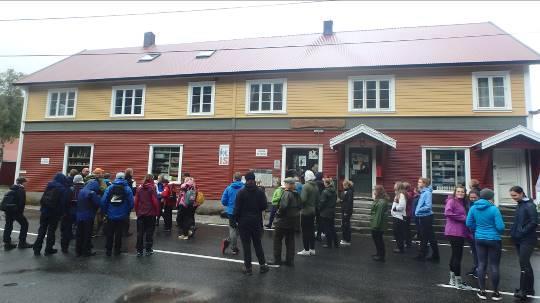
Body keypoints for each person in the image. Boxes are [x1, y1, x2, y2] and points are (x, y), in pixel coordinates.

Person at [466, 188, 505, 301]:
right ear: (490, 197)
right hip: (494, 239)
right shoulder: (494, 209)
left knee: (481, 264)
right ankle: (496, 293)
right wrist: (497, 233)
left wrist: (477, 229)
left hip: (479, 238)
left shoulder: (473, 207)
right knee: (494, 266)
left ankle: (482, 291)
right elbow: (501, 227)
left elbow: (469, 223)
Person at [232, 171, 270, 275]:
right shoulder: (260, 192)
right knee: (258, 244)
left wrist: (234, 220)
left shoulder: (241, 192)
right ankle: (263, 266)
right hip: (256, 221)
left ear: (246, 180)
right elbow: (264, 206)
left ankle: (248, 268)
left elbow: (237, 209)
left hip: (244, 222)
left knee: (246, 245)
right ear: (254, 179)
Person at [509, 186, 538, 300]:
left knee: (524, 264)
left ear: (521, 193)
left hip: (527, 239)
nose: (513, 198)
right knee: (525, 264)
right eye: (511, 195)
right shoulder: (520, 204)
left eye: (515, 195)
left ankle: (523, 290)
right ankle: (529, 288)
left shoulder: (529, 205)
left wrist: (522, 232)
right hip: (519, 238)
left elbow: (534, 222)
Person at [444, 185, 472, 289]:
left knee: (454, 255)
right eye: (458, 191)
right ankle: (458, 282)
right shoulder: (452, 201)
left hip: (459, 232)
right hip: (454, 232)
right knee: (457, 256)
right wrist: (464, 218)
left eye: (462, 192)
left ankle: (452, 280)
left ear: (465, 193)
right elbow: (448, 212)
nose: (460, 193)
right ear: (455, 192)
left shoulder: (463, 202)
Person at [34, 172, 69, 256]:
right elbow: (63, 203)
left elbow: (43, 198)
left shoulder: (49, 185)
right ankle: (48, 249)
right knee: (51, 231)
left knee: (42, 229)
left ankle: (37, 249)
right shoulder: (62, 188)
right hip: (54, 213)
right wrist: (62, 213)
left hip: (44, 211)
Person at [100, 172, 134, 256]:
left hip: (111, 214)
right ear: (124, 178)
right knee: (119, 233)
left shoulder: (110, 187)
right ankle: (117, 250)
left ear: (116, 177)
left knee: (110, 233)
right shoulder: (127, 188)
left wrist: (105, 212)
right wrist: (127, 211)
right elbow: (131, 202)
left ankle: (108, 250)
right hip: (122, 215)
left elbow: (103, 201)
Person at [269, 177, 300, 267]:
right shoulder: (296, 194)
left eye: (286, 183)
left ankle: (277, 260)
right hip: (293, 220)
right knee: (290, 241)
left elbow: (283, 207)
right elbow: (300, 206)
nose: (285, 185)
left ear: (288, 184)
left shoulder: (286, 194)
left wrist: (277, 214)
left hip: (283, 221)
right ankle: (290, 261)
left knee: (277, 240)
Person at [2, 177, 33, 250]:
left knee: (8, 225)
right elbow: (21, 203)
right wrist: (20, 213)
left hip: (8, 210)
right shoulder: (21, 190)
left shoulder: (12, 188)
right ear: (23, 182)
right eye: (25, 182)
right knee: (25, 224)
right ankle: (22, 243)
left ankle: (7, 243)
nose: (26, 183)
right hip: (16, 211)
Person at [413, 177, 440, 262]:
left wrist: (418, 210)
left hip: (426, 217)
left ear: (424, 184)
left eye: (420, 182)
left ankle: (423, 255)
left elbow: (428, 206)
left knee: (425, 236)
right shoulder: (423, 192)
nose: (418, 183)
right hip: (424, 216)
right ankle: (434, 255)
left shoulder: (427, 193)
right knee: (429, 236)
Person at [134, 174, 160, 257]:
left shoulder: (139, 188)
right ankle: (148, 250)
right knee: (149, 232)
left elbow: (136, 201)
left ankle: (139, 250)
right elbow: (155, 202)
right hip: (150, 214)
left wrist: (137, 211)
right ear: (151, 179)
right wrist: (157, 212)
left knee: (140, 233)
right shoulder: (152, 188)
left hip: (141, 214)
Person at [75, 179, 100, 257]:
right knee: (87, 234)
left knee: (79, 234)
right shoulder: (92, 193)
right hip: (88, 216)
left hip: (79, 216)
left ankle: (78, 251)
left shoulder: (81, 191)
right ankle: (86, 251)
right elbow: (97, 203)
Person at [220, 172, 244, 255]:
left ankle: (230, 244)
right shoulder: (244, 188)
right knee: (241, 229)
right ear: (241, 179)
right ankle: (233, 246)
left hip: (231, 212)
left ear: (233, 179)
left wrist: (230, 205)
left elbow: (223, 201)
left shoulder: (229, 188)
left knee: (233, 228)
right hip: (242, 211)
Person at [298, 170, 319, 256]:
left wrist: (299, 205)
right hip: (313, 210)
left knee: (305, 231)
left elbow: (303, 199)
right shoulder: (316, 187)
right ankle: (312, 249)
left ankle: (306, 250)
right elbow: (318, 200)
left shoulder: (306, 186)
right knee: (311, 230)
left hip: (306, 211)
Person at [61, 175, 84, 253]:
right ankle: (79, 249)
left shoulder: (69, 189)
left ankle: (64, 248)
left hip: (69, 212)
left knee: (67, 230)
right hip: (80, 212)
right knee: (80, 231)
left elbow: (64, 202)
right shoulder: (84, 189)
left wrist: (64, 212)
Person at [370, 185, 390, 262]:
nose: (374, 192)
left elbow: (379, 215)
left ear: (378, 192)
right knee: (377, 239)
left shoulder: (381, 202)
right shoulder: (379, 200)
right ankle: (378, 253)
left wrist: (375, 226)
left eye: (375, 190)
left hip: (378, 224)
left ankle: (381, 256)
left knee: (379, 240)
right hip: (376, 223)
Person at [319, 178, 338, 249]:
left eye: (324, 182)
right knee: (332, 227)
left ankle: (329, 244)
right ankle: (336, 243)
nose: (323, 183)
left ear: (327, 183)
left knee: (327, 228)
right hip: (332, 211)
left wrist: (319, 209)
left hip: (325, 212)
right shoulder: (334, 191)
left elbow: (322, 202)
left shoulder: (325, 192)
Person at [466, 190, 480, 279]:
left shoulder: (479, 206)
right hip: (470, 231)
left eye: (475, 197)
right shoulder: (469, 204)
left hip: (478, 231)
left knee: (480, 252)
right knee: (474, 251)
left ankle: (480, 269)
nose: (473, 199)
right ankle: (475, 266)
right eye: (471, 197)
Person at [391, 181, 407, 253]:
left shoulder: (401, 195)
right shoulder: (398, 194)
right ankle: (399, 246)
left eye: (395, 185)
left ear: (398, 186)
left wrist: (395, 208)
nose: (394, 186)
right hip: (396, 216)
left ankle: (400, 248)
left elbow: (402, 206)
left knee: (398, 233)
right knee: (396, 232)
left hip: (399, 217)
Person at [339, 179, 354, 246]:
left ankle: (347, 240)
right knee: (344, 225)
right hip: (344, 210)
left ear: (347, 185)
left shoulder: (350, 192)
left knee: (346, 225)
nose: (343, 186)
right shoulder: (346, 191)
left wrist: (346, 212)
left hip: (346, 211)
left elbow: (349, 203)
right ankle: (345, 238)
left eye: (344, 185)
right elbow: (344, 200)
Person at [123, 168, 136, 237]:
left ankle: (119, 230)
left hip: (121, 199)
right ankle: (125, 232)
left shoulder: (122, 180)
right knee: (127, 216)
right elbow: (134, 192)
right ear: (131, 173)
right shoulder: (132, 181)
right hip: (128, 199)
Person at [314, 172, 324, 241]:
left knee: (314, 219)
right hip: (321, 204)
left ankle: (315, 233)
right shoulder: (323, 184)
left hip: (315, 204)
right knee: (320, 220)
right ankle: (319, 234)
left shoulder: (315, 184)